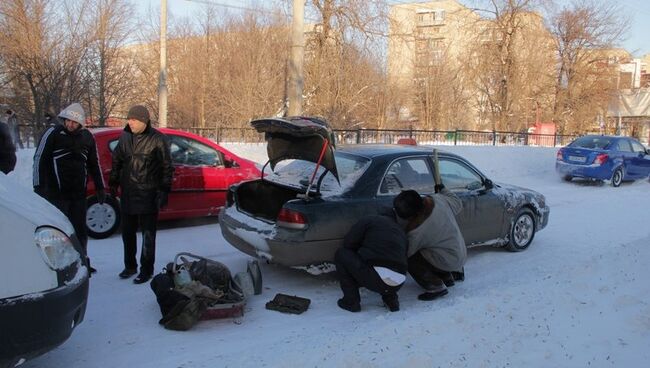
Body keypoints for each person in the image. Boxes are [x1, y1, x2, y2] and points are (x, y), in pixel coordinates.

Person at [33, 103, 105, 273]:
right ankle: (60, 267)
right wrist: (38, 187)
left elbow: (94, 164)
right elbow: (39, 160)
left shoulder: (87, 137)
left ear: (81, 123)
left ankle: (82, 262)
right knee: (58, 233)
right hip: (56, 194)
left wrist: (100, 187)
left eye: (75, 122)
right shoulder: (53, 133)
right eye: (68, 121)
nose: (71, 125)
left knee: (79, 230)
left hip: (78, 194)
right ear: (64, 119)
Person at [109, 105, 173, 284]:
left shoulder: (158, 139)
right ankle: (130, 266)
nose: (130, 122)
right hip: (128, 193)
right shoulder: (125, 137)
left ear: (144, 121)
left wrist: (164, 190)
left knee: (148, 236)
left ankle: (146, 270)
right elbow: (117, 161)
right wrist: (113, 181)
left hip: (148, 193)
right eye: (129, 119)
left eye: (134, 120)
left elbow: (167, 167)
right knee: (127, 233)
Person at [393, 185, 466, 301]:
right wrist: (443, 189)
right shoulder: (439, 199)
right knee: (432, 249)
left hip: (447, 261)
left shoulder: (417, 231)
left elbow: (405, 254)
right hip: (459, 255)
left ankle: (436, 286)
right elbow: (458, 203)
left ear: (413, 215)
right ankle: (447, 278)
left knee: (410, 258)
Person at [334, 214, 408, 312]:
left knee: (342, 254)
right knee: (388, 262)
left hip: (377, 279)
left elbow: (349, 244)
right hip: (399, 281)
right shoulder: (399, 230)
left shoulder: (368, 220)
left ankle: (351, 302)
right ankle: (391, 301)